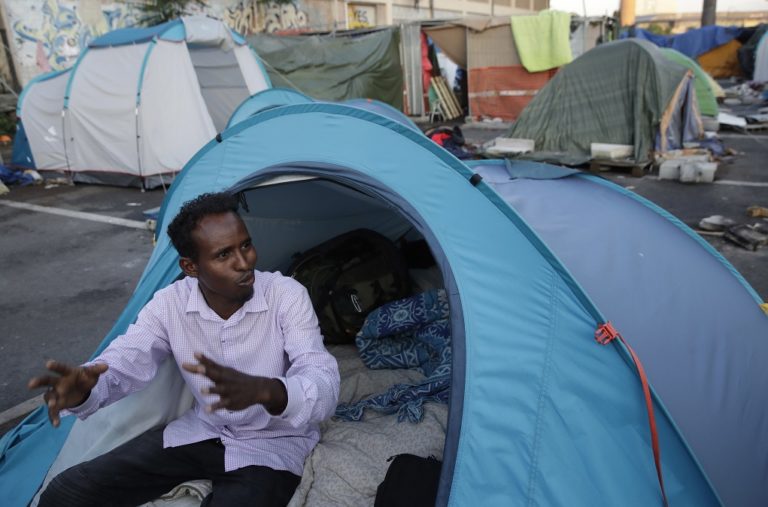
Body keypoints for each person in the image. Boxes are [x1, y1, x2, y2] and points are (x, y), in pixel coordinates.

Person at [28, 191, 340, 507]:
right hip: (200, 433)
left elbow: (321, 376)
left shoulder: (286, 295)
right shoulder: (170, 304)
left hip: (272, 445)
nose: (244, 263)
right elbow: (126, 360)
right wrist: (84, 389)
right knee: (63, 494)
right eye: (223, 255)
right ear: (190, 267)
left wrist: (269, 391)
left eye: (245, 245)